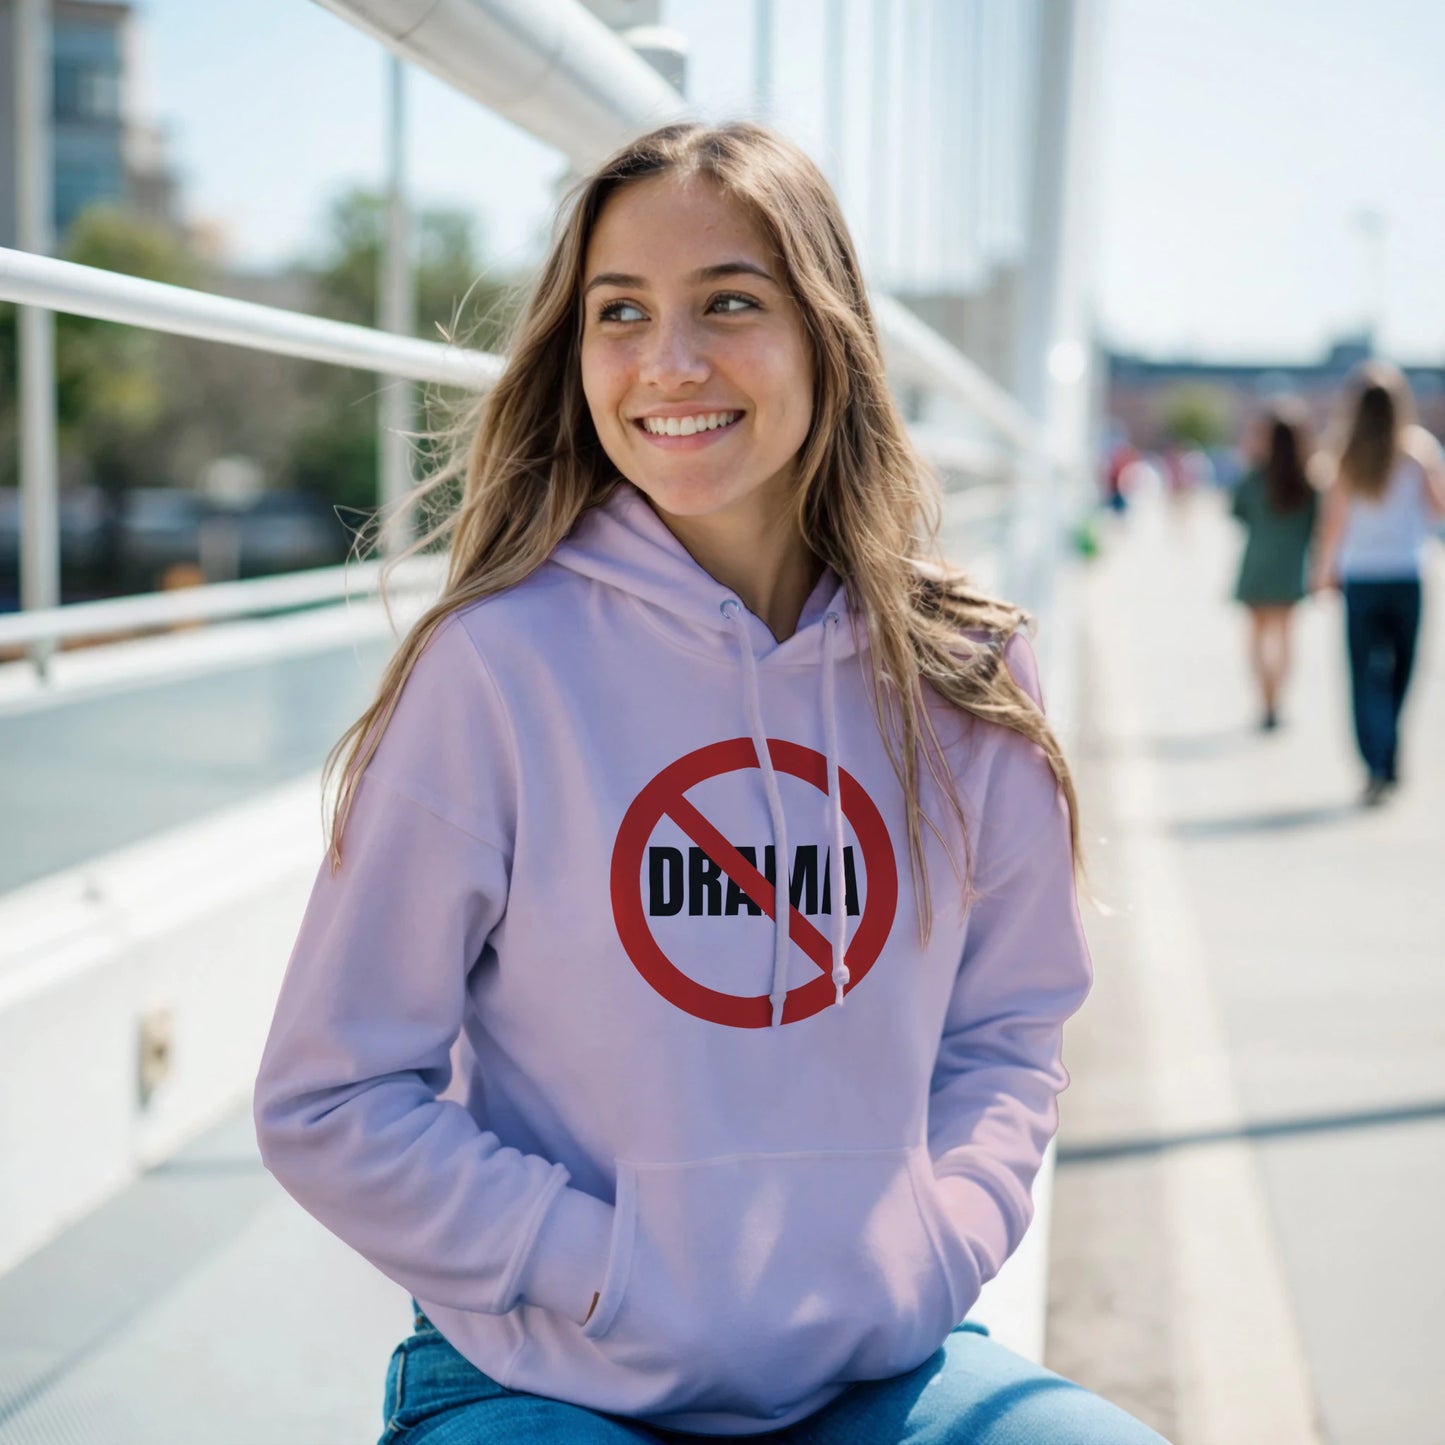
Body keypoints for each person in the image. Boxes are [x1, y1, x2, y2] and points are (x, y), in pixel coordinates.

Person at [253, 121, 1164, 1444]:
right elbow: (329, 1097)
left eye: (729, 302)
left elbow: (1009, 1029)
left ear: (827, 335)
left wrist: (936, 1241)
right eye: (620, 312)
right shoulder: (497, 667)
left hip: (872, 1356)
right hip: (548, 1371)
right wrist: (602, 1270)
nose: (668, 362)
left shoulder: (964, 669)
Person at [1311, 361, 1445, 805]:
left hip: (1362, 576)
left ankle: (1376, 758)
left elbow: (1332, 523)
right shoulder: (1419, 451)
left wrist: (1322, 571)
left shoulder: (1344, 454)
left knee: (1364, 674)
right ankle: (1388, 750)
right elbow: (1438, 510)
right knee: (1403, 670)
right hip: (1407, 573)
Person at [1229, 399, 1319, 730]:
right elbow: (1317, 528)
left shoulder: (1254, 479)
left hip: (1257, 568)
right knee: (1284, 638)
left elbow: (1237, 513)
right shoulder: (1310, 483)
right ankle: (1276, 700)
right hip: (1291, 571)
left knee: (1257, 638)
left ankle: (1264, 700)